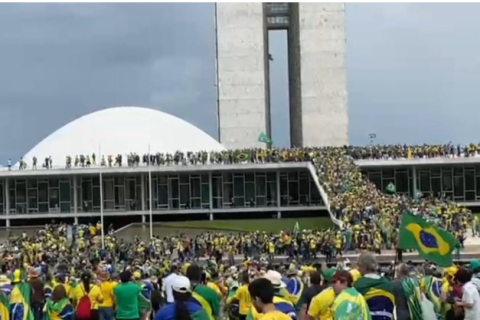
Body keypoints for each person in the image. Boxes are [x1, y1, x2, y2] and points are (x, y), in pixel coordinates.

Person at [353, 253, 395, 320]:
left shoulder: (359, 285)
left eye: (359, 266)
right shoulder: (388, 284)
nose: (358, 269)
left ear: (364, 267)